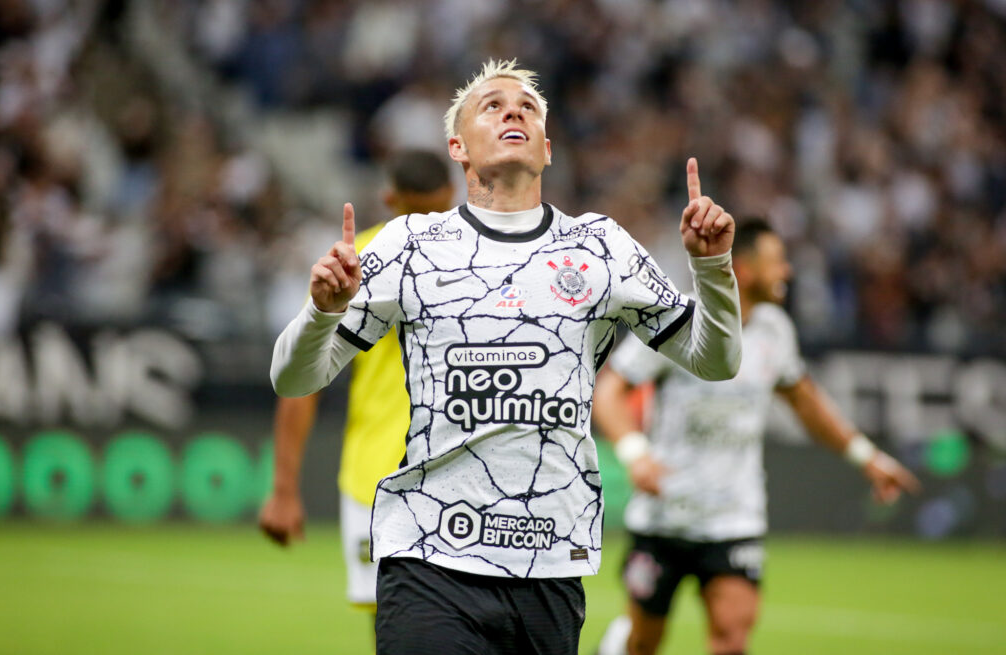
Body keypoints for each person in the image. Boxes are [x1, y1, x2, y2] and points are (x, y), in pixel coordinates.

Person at [269, 58, 743, 655]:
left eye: (527, 107)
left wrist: (712, 269)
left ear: (547, 148)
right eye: (490, 106)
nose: (512, 110)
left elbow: (715, 361)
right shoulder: (410, 244)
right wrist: (322, 311)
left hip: (549, 563)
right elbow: (292, 377)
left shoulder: (600, 247)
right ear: (457, 147)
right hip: (428, 556)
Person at [593, 218, 921, 655]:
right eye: (777, 263)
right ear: (743, 270)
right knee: (642, 643)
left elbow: (805, 402)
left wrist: (866, 457)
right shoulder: (679, 318)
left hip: (735, 519)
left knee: (732, 639)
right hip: (664, 516)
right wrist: (636, 454)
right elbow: (609, 390)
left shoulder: (775, 331)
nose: (786, 272)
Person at [258, 150, 455, 615]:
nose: (429, 223)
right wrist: (283, 488)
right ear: (390, 200)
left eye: (438, 210)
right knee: (397, 625)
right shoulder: (358, 261)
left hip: (451, 473)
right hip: (379, 479)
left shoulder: (475, 258)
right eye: (418, 211)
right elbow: (306, 375)